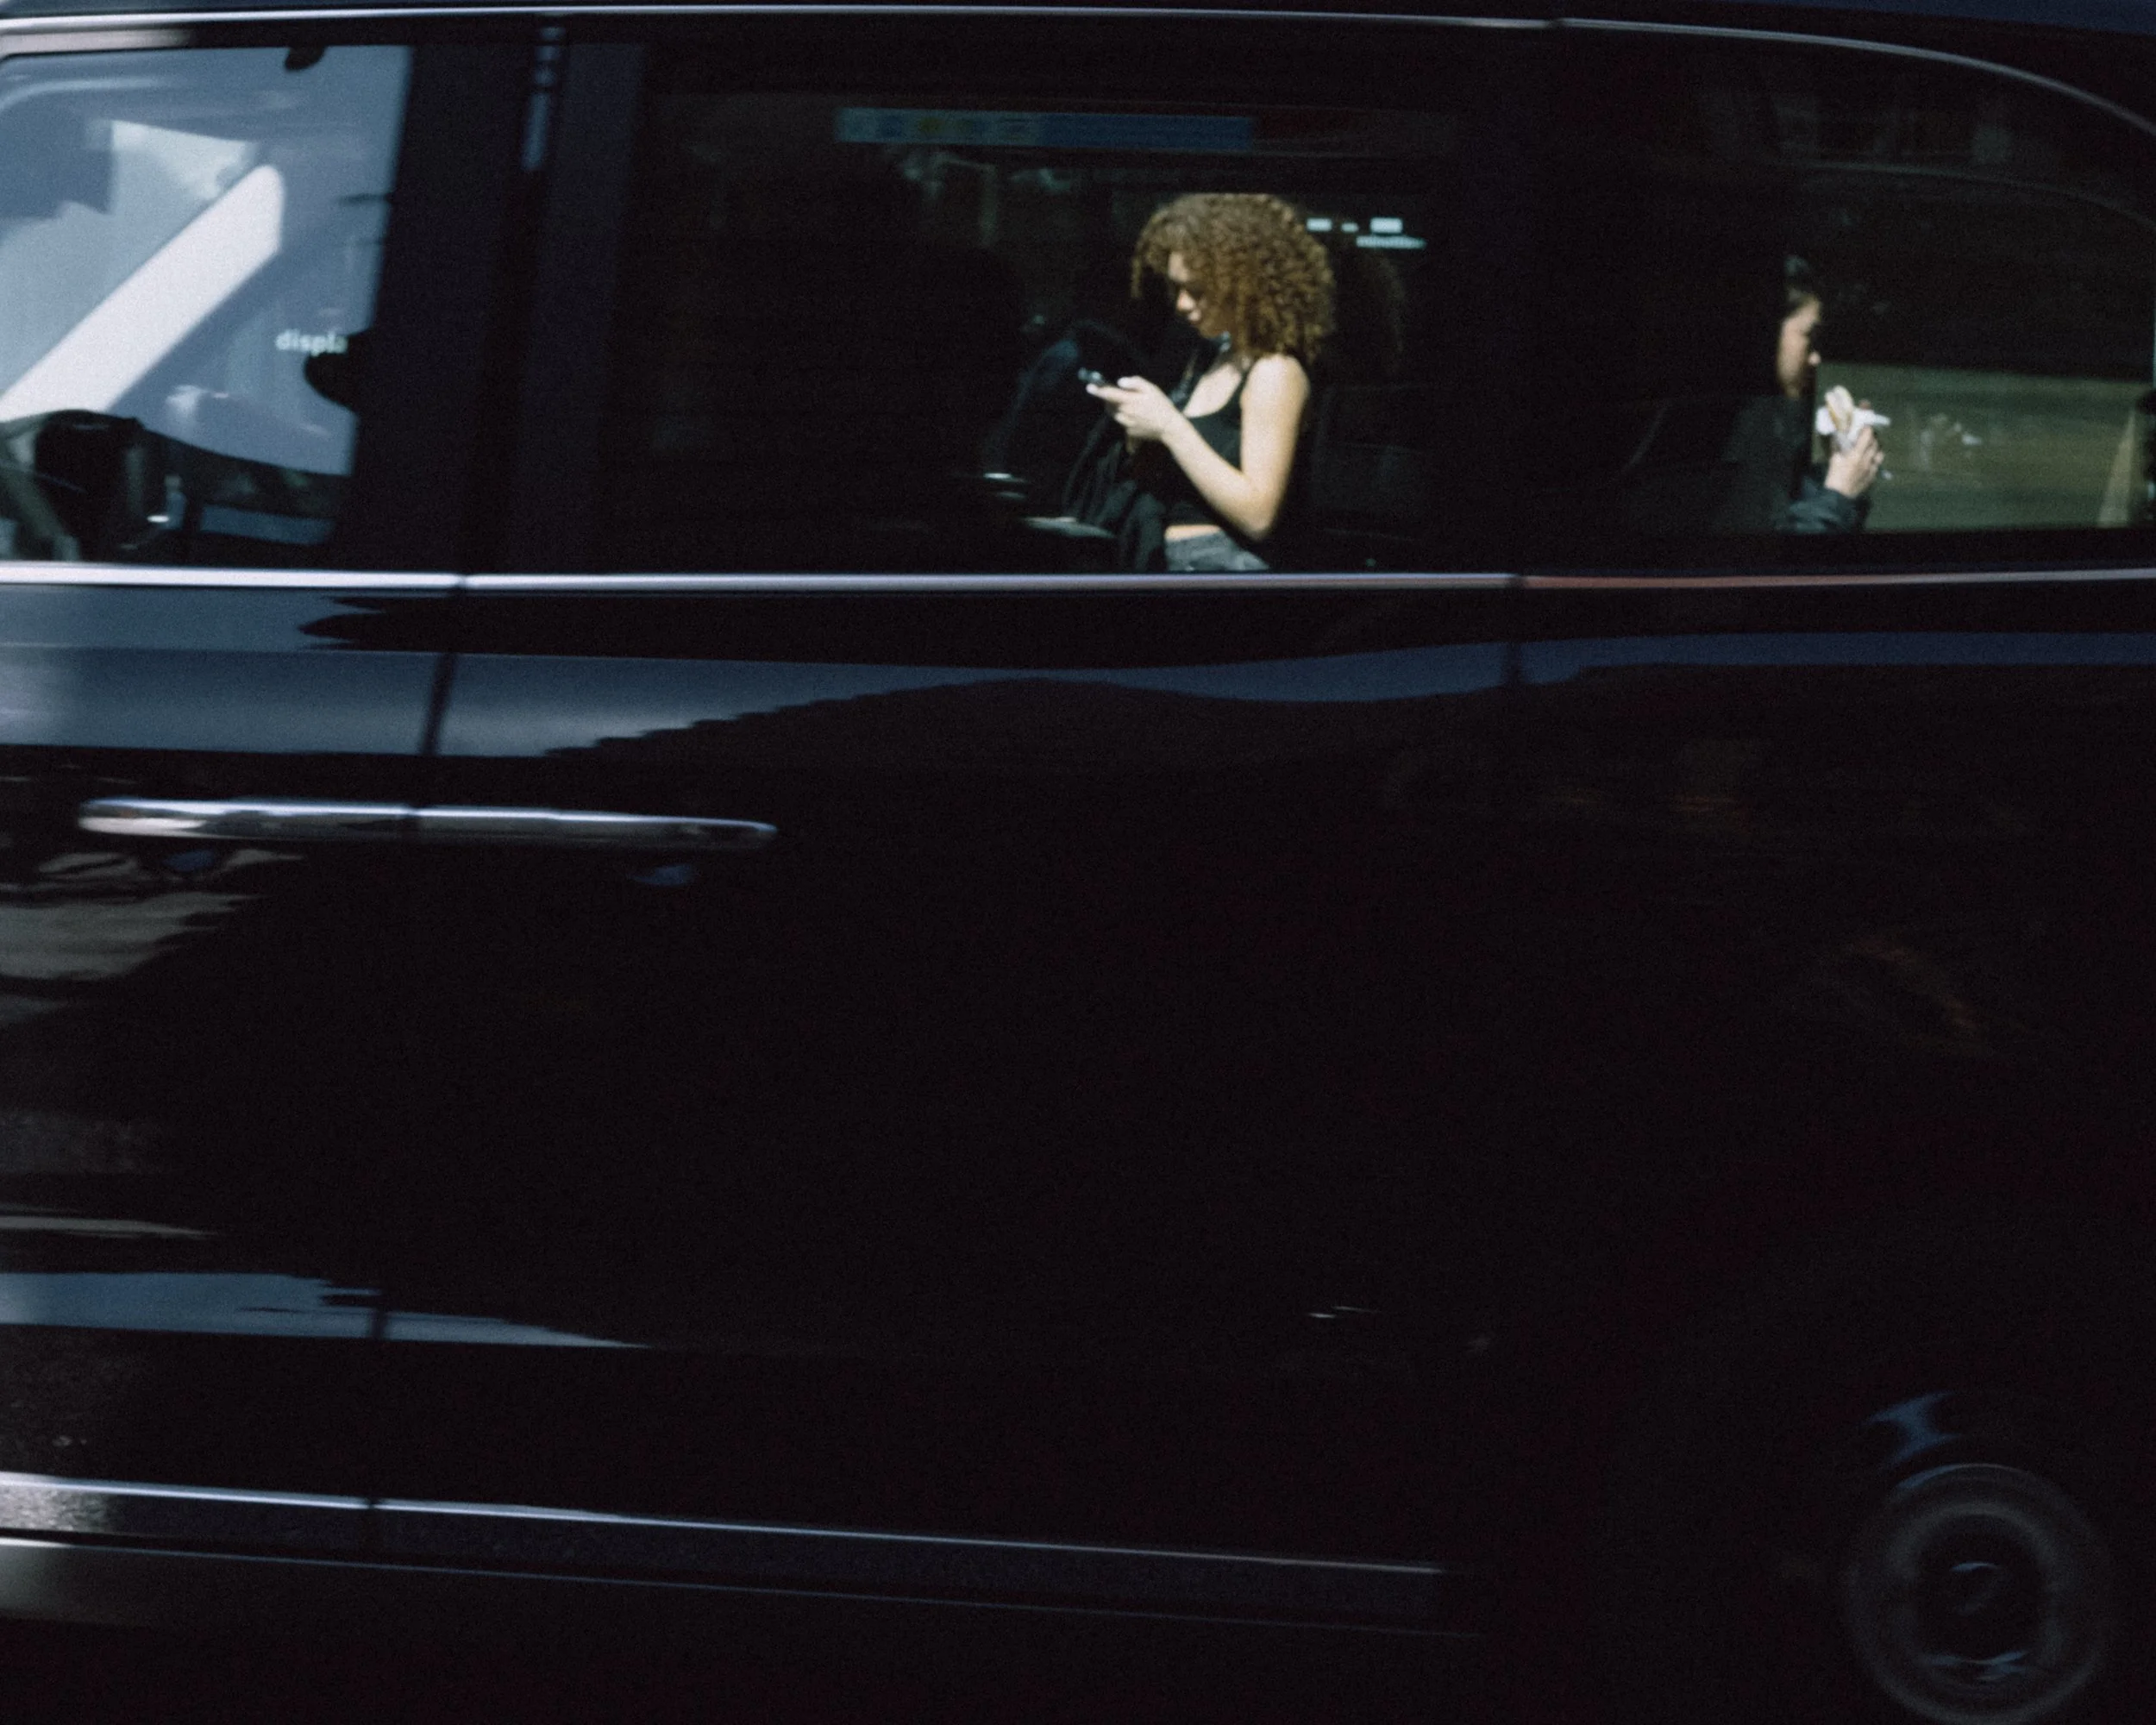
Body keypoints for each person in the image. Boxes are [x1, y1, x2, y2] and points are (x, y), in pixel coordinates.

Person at [1083, 193, 1334, 571]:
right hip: (1160, 558)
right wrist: (1141, 430)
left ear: (1245, 284)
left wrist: (1169, 426)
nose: (1182, 304)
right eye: (1176, 288)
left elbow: (1258, 515)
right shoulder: (1206, 361)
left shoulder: (1275, 372)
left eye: (1197, 290)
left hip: (1220, 568)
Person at [1708, 256, 1883, 534]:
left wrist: (1835, 472)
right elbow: (1770, 560)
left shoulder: (1773, 424)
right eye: (1809, 337)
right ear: (1766, 335)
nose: (1816, 358)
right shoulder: (1726, 440)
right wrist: (1839, 496)